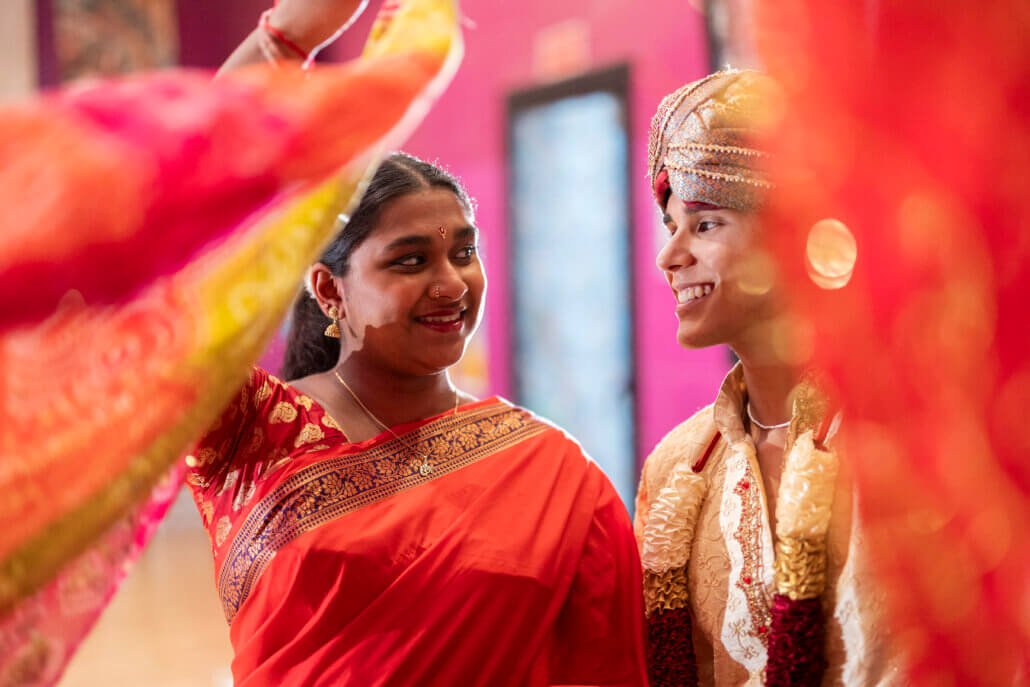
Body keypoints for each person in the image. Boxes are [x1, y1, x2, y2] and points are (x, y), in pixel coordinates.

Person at [186, 149, 648, 686]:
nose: (452, 285)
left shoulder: (553, 472)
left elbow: (602, 662)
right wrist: (266, 71)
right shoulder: (255, 432)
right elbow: (169, 297)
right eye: (411, 260)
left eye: (464, 252)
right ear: (330, 289)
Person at [634, 69, 898, 686]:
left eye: (704, 225)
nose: (670, 256)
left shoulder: (903, 434)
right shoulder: (677, 467)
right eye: (670, 227)